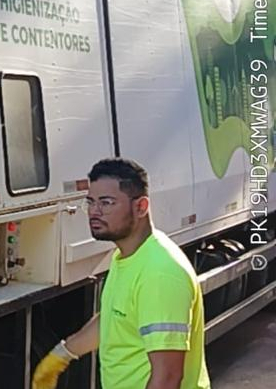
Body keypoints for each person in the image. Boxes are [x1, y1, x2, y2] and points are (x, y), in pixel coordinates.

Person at [32, 158, 210, 389]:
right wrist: (62, 354)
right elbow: (114, 319)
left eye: (106, 203)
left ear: (141, 207)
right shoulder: (126, 256)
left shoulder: (160, 274)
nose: (94, 212)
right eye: (91, 202)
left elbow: (167, 377)